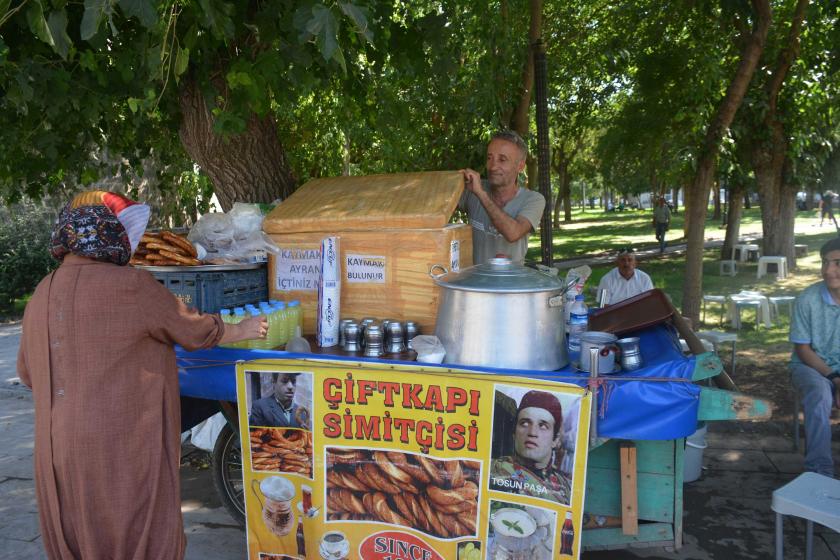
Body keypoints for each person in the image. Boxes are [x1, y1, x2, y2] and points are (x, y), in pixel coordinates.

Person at [16, 191, 267, 560]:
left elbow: (27, 372)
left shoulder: (41, 292)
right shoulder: (132, 286)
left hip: (55, 452)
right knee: (137, 534)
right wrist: (242, 329)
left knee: (76, 538)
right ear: (107, 236)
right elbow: (192, 329)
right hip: (118, 447)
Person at [789, 237, 840, 478]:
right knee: (820, 394)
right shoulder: (807, 299)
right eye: (825, 262)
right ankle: (819, 471)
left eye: (838, 263)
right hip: (810, 366)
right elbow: (803, 349)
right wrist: (836, 379)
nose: (828, 270)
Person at [460, 130, 546, 265]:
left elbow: (513, 233)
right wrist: (452, 181)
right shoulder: (472, 188)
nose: (493, 166)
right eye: (489, 158)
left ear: (520, 166)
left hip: (511, 285)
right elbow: (436, 207)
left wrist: (481, 194)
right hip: (474, 284)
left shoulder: (534, 199)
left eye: (502, 159)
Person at [490, 390, 572, 504]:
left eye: (543, 426)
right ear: (514, 434)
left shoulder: (566, 488)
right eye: (524, 423)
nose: (532, 432)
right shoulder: (493, 470)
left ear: (555, 440)